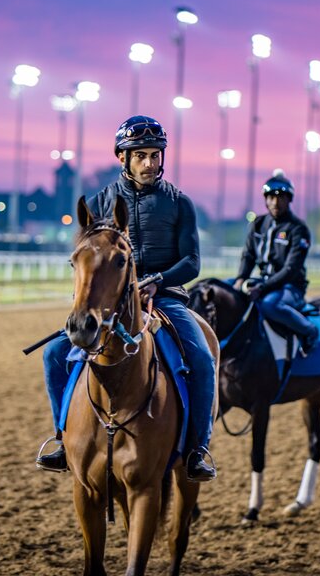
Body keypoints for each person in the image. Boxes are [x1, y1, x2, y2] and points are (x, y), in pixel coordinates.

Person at [36, 115, 217, 482]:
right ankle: (61, 438)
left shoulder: (179, 204)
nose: (150, 163)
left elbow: (192, 262)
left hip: (165, 298)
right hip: (110, 303)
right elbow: (89, 256)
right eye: (141, 156)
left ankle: (197, 449)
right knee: (54, 353)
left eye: (155, 155)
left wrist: (157, 281)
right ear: (123, 157)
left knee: (201, 358)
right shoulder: (101, 202)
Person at [233, 169, 317, 356]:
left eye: (281, 197)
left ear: (289, 199)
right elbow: (248, 256)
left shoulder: (298, 228)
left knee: (270, 305)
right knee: (224, 290)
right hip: (263, 281)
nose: (275, 202)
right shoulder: (258, 224)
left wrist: (262, 288)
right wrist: (240, 279)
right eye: (270, 197)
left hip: (290, 286)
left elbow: (291, 269)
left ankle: (309, 330)